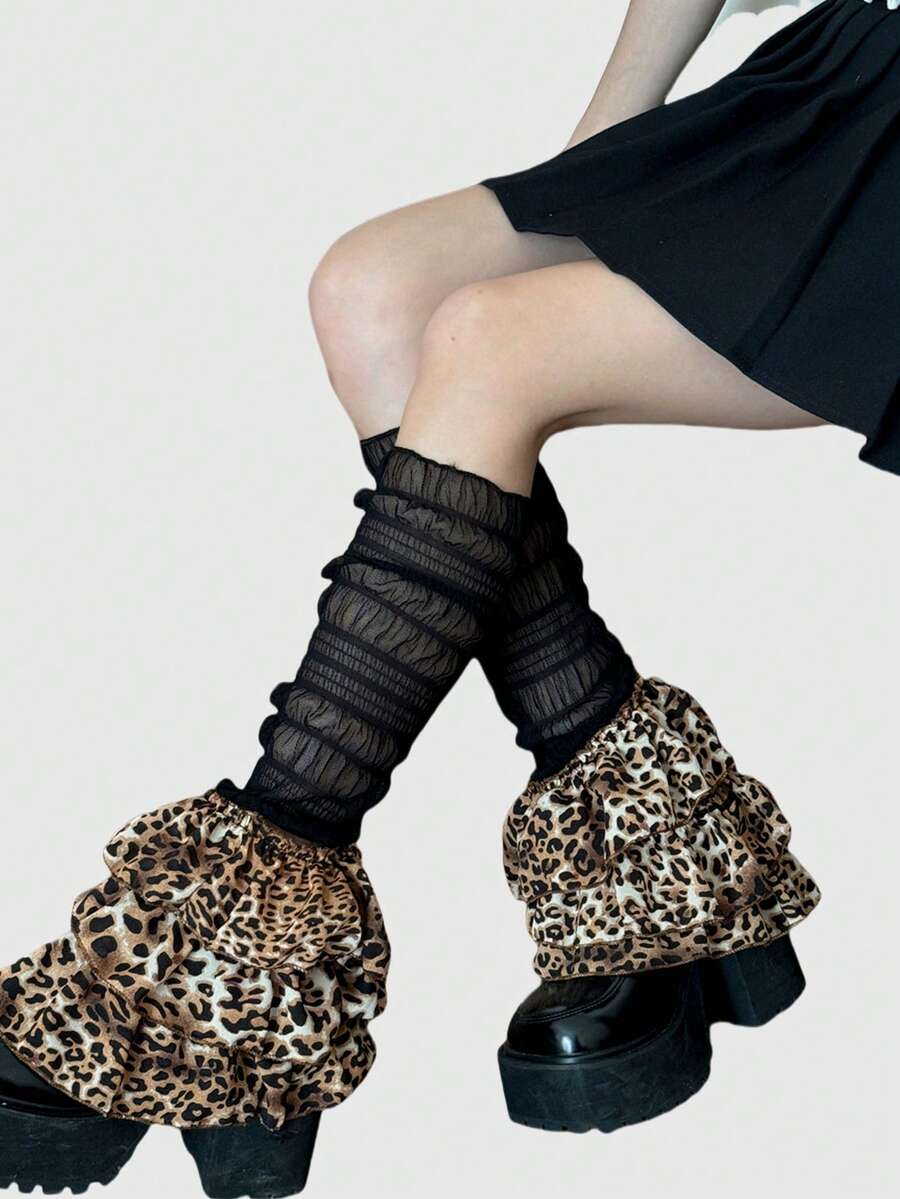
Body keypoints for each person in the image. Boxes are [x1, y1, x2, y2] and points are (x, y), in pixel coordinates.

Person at [2, 0, 895, 1194]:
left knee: (487, 340)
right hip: (843, 84)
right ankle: (653, 862)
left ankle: (213, 973)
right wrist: (601, 165)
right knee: (373, 291)